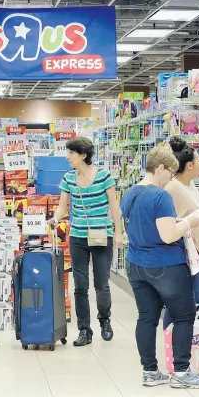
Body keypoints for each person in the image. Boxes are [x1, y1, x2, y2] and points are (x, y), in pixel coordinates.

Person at [120, 146, 199, 389]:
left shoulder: (129, 193)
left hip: (136, 265)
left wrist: (176, 222)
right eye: (170, 172)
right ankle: (181, 372)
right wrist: (190, 221)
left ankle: (150, 371)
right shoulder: (160, 196)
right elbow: (168, 235)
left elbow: (146, 226)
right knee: (183, 316)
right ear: (159, 168)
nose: (171, 177)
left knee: (146, 318)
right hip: (165, 266)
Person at [50, 137, 122, 347]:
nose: (67, 157)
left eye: (71, 153)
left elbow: (114, 206)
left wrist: (118, 232)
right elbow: (63, 207)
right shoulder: (68, 179)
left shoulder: (104, 176)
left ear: (83, 155)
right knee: (80, 285)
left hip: (102, 236)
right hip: (78, 237)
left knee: (101, 283)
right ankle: (84, 330)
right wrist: (56, 218)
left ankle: (105, 321)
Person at [164, 137, 199, 329]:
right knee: (181, 300)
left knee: (196, 299)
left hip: (195, 252)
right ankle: (172, 343)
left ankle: (189, 344)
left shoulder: (190, 185)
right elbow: (167, 222)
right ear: (190, 165)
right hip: (182, 253)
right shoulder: (172, 188)